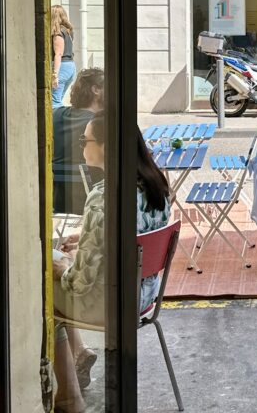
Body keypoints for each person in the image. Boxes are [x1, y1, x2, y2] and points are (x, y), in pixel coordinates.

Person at [51, 113, 171, 411]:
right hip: (143, 297)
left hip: (109, 303)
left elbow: (80, 282)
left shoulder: (103, 196)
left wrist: (61, 266)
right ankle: (79, 354)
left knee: (43, 289)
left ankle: (68, 397)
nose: (81, 146)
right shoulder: (155, 185)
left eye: (85, 140)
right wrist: (89, 235)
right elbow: (132, 232)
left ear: (105, 146)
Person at [52, 67, 105, 214]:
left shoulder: (54, 115)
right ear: (96, 90)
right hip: (95, 202)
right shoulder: (100, 125)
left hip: (56, 201)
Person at [51, 4, 77, 109]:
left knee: (54, 102)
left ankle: (58, 124)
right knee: (58, 99)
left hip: (62, 67)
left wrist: (55, 75)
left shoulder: (58, 32)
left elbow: (58, 54)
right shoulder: (68, 31)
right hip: (70, 66)